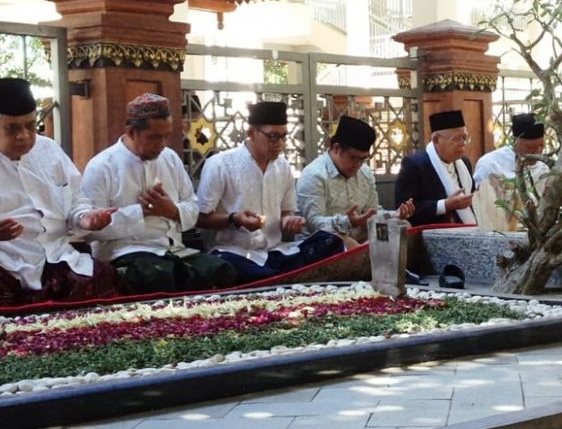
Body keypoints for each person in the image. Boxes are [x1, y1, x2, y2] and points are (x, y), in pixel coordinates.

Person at [81, 93, 236, 294]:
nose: (162, 144)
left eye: (167, 136)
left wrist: (172, 211)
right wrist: (141, 212)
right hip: (126, 252)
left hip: (173, 251)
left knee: (222, 270)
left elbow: (192, 207)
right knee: (155, 276)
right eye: (154, 137)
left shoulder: (170, 159)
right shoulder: (102, 167)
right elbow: (91, 231)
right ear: (131, 132)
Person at [0, 78, 122, 306]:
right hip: (8, 262)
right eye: (13, 128)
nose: (24, 136)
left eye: (30, 125)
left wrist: (85, 218)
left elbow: (76, 200)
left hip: (57, 255)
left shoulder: (49, 151)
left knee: (105, 277)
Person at [196, 102, 344, 283]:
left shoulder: (283, 167)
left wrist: (289, 221)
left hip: (276, 252)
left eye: (283, 137)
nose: (279, 144)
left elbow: (286, 212)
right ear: (251, 133)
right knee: (230, 267)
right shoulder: (220, 164)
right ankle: (282, 280)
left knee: (331, 242)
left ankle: (279, 279)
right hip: (234, 253)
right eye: (273, 137)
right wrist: (234, 219)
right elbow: (200, 218)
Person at [297, 115, 415, 248]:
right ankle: (367, 256)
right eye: (353, 158)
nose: (358, 164)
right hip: (322, 243)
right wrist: (349, 222)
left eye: (363, 159)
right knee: (344, 241)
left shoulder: (365, 173)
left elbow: (372, 213)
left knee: (403, 226)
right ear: (336, 148)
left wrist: (394, 215)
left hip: (359, 237)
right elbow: (313, 223)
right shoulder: (314, 175)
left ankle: (371, 257)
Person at [395, 110, 476, 226]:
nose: (462, 143)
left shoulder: (464, 163)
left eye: (464, 137)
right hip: (430, 234)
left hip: (466, 230)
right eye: (456, 139)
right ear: (436, 140)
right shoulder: (415, 165)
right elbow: (403, 209)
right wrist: (445, 205)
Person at [473, 113, 549, 197]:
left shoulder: (544, 166)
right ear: (515, 141)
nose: (537, 152)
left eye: (541, 146)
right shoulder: (489, 163)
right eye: (530, 147)